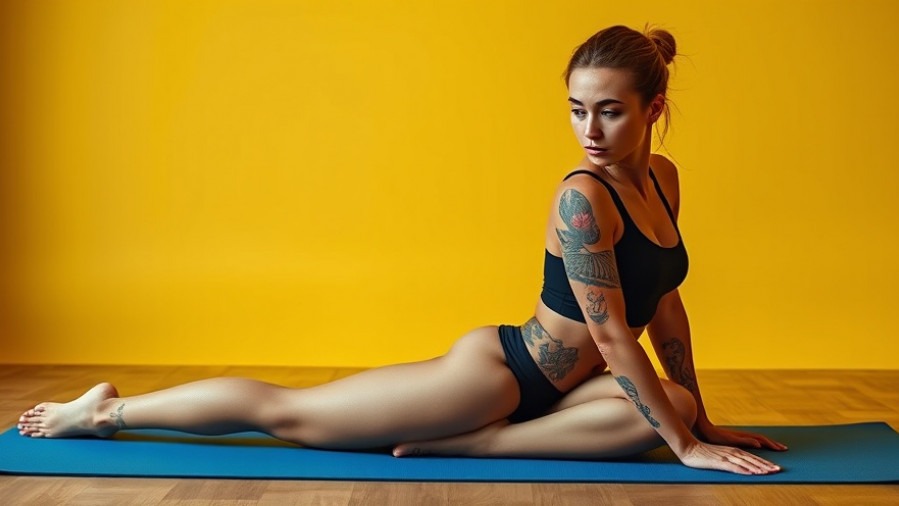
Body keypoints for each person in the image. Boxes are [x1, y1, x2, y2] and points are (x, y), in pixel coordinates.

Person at [17, 24, 787, 475]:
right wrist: (683, 450)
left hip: (576, 393)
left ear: (653, 109)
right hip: (500, 376)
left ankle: (478, 448)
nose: (589, 130)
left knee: (672, 405)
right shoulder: (581, 198)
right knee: (289, 415)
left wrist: (702, 423)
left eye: (610, 112)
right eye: (576, 110)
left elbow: (663, 306)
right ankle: (105, 414)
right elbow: (615, 332)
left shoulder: (662, 178)